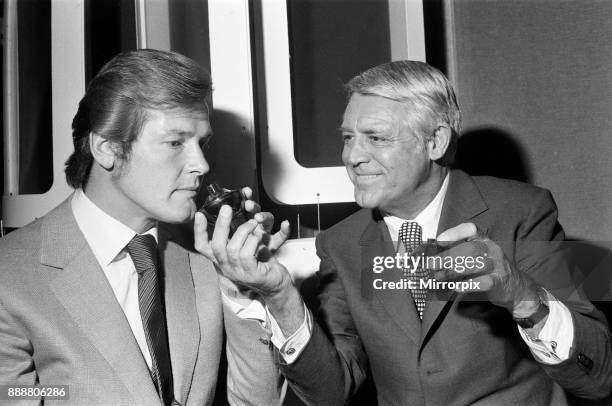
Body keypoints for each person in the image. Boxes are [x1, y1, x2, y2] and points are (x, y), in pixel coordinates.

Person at [203, 60, 612, 405]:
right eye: (348, 137)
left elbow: (597, 376)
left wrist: (521, 295)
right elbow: (331, 392)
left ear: (435, 141)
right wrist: (281, 298)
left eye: (376, 138)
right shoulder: (341, 245)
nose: (352, 157)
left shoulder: (522, 212)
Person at [0, 49, 285, 405]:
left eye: (202, 143)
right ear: (107, 149)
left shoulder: (207, 254)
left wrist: (242, 283)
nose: (201, 164)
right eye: (175, 142)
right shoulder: (9, 278)